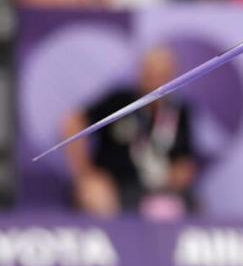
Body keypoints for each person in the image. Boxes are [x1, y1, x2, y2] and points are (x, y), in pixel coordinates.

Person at [63, 46, 197, 219]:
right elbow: (72, 121)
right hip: (115, 186)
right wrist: (86, 174)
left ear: (173, 76)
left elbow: (186, 165)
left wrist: (175, 176)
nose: (156, 82)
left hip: (158, 191)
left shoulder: (180, 112)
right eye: (150, 75)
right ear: (141, 74)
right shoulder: (120, 102)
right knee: (94, 195)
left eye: (162, 75)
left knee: (167, 210)